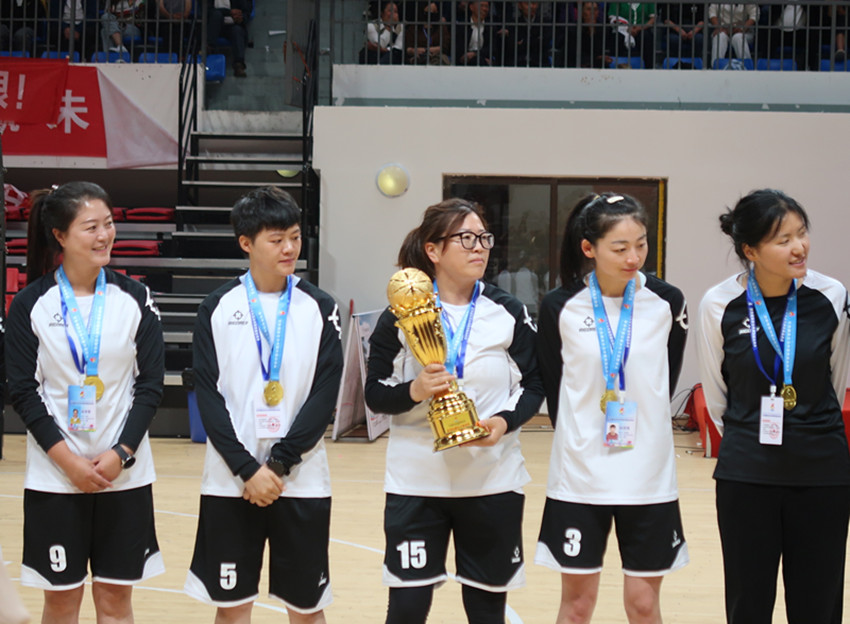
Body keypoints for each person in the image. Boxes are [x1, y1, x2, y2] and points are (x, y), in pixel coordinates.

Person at [364, 198, 544, 624]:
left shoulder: (508, 311)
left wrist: (503, 422)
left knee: (486, 610)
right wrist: (414, 391)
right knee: (407, 609)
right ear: (433, 250)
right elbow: (374, 393)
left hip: (491, 481)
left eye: (484, 237)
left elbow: (534, 385)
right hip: (416, 482)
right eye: (466, 238)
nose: (479, 247)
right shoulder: (400, 314)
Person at [6, 181, 165, 623]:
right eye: (90, 227)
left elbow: (151, 384)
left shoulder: (135, 299)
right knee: (61, 603)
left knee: (115, 601)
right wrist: (68, 462)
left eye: (108, 224)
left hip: (124, 478)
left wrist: (121, 453)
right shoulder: (31, 304)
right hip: (55, 479)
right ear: (60, 235)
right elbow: (23, 391)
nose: (104, 235)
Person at [184, 186, 343, 623]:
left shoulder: (320, 307)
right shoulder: (217, 307)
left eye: (294, 237)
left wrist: (277, 464)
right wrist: (247, 469)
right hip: (230, 480)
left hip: (301, 480)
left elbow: (324, 393)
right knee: (233, 608)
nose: (289, 248)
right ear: (246, 243)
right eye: (276, 240)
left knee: (307, 609)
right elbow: (209, 395)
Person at [696, 189, 850, 624]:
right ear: (751, 251)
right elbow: (717, 396)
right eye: (783, 240)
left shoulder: (831, 295)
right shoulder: (718, 304)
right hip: (747, 474)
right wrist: (749, 441)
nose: (799, 247)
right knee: (748, 602)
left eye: (802, 233)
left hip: (822, 472)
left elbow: (837, 380)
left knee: (818, 604)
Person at [535, 193, 689, 624]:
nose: (633, 258)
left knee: (643, 605)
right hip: (581, 475)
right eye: (620, 248)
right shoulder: (559, 306)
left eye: (641, 244)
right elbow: (555, 389)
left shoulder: (668, 302)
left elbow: (664, 382)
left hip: (648, 475)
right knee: (577, 606)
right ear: (589, 248)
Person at [208, 0, 250, 77]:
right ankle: (209, 51)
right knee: (216, 15)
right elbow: (206, 11)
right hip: (212, 25)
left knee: (237, 30)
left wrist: (241, 18)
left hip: (233, 25)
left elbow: (246, 12)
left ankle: (239, 65)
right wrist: (228, 12)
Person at [608, 2, 656, 68]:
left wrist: (639, 28)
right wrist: (627, 28)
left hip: (643, 29)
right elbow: (612, 17)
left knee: (646, 37)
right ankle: (617, 66)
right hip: (622, 29)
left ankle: (649, 68)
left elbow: (653, 19)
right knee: (617, 38)